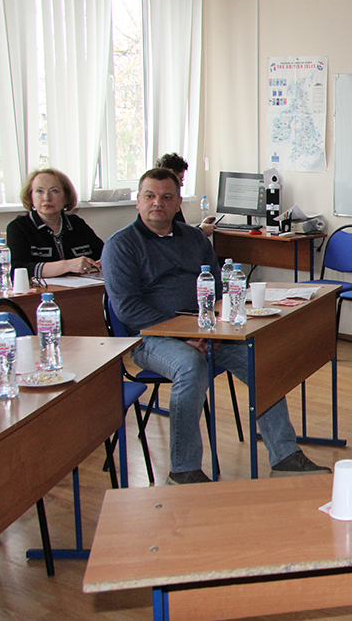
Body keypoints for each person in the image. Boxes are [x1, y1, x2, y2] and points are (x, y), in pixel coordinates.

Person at [102, 167, 328, 484]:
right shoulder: (121, 245)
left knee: (263, 362)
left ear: (177, 202)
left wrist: (217, 331)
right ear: (138, 201)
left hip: (205, 331)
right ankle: (183, 470)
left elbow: (220, 291)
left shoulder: (194, 238)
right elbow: (128, 308)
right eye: (150, 196)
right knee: (190, 366)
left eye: (166, 197)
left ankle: (285, 456)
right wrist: (184, 336)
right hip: (151, 338)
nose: (158, 203)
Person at [6, 168, 103, 279]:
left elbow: (105, 254)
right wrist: (67, 265)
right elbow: (16, 269)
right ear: (30, 196)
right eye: (39, 191)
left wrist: (103, 262)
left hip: (82, 288)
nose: (46, 198)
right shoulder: (19, 227)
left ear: (66, 197)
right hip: (40, 289)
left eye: (54, 191)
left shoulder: (76, 224)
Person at [155, 152, 216, 237]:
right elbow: (178, 237)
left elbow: (181, 230)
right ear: (171, 173)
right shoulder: (166, 204)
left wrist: (200, 227)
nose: (181, 184)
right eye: (181, 179)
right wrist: (201, 231)